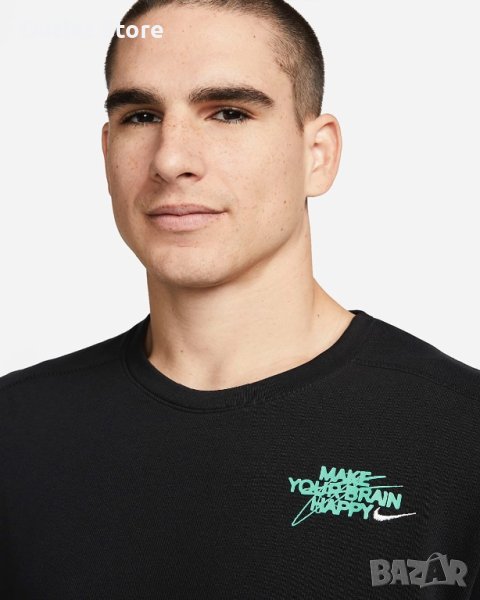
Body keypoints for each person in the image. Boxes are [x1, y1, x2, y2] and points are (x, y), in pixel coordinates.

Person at [1, 0, 479, 597]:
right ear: (106, 151)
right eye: (141, 116)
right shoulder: (16, 432)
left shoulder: (461, 436)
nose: (171, 160)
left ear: (318, 154)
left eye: (228, 112)